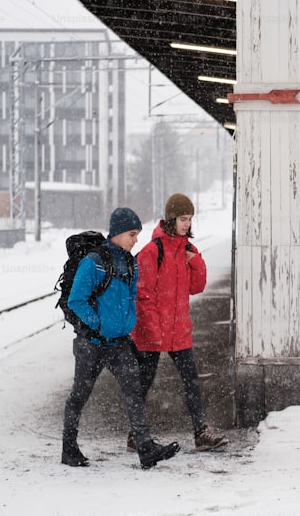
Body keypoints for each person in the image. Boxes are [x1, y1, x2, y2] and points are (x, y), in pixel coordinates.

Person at [61, 207, 181, 469]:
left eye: (137, 234)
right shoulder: (93, 262)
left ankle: (145, 449)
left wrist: (129, 323)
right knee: (79, 395)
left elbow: (131, 298)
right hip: (91, 344)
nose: (136, 239)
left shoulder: (130, 261)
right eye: (132, 234)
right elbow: (76, 300)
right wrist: (97, 324)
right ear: (116, 233)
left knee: (133, 393)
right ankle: (69, 449)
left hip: (120, 344)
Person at [131, 193, 228, 451]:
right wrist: (152, 330)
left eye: (190, 219)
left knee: (191, 381)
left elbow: (197, 287)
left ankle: (200, 432)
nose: (187, 224)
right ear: (171, 218)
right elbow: (143, 294)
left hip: (179, 330)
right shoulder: (152, 252)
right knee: (144, 381)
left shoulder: (188, 250)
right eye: (183, 219)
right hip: (152, 330)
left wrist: (194, 261)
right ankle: (135, 434)